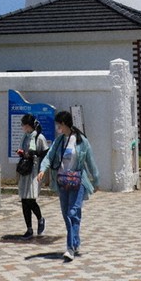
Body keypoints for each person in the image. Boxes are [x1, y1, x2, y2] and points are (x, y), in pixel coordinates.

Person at [37, 110, 99, 262]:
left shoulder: (81, 141)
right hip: (62, 182)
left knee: (72, 213)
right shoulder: (59, 141)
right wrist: (42, 170)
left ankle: (70, 248)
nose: (58, 127)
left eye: (59, 125)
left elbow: (90, 162)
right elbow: (49, 156)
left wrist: (96, 180)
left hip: (78, 182)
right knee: (67, 215)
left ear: (64, 124)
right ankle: (76, 241)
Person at [17, 114, 48, 239]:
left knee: (31, 199)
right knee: (24, 200)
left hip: (34, 171)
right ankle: (29, 229)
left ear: (29, 125)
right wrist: (22, 154)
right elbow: (23, 151)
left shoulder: (39, 138)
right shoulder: (25, 137)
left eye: (23, 125)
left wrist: (34, 154)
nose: (22, 127)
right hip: (25, 171)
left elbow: (45, 154)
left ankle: (40, 219)